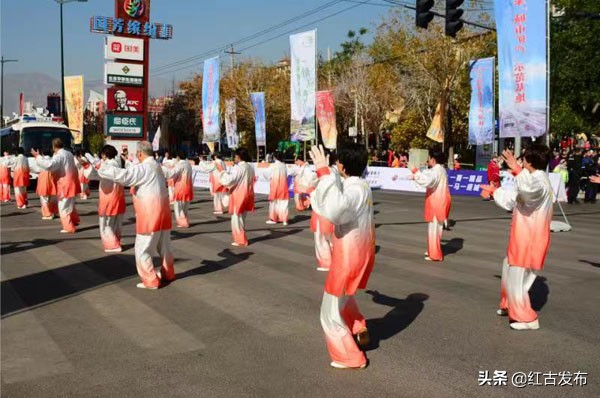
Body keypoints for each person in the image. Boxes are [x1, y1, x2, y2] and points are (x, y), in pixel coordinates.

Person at [310, 143, 375, 370]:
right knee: (344, 299)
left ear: (343, 165)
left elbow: (335, 211)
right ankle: (358, 326)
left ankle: (349, 357)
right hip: (358, 254)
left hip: (348, 257)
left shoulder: (354, 189)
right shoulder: (362, 186)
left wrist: (323, 173)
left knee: (328, 314)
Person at [480, 145, 553, 330]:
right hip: (522, 233)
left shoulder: (539, 181)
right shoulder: (529, 178)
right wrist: (494, 191)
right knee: (509, 268)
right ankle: (509, 304)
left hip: (530, 236)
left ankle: (527, 318)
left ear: (529, 161)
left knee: (518, 275)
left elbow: (528, 192)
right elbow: (514, 198)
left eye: (523, 159)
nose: (520, 162)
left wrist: (517, 169)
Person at [97, 141, 174, 289]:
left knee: (142, 248)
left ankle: (150, 280)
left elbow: (126, 176)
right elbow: (133, 172)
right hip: (163, 212)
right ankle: (168, 273)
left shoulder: (145, 167)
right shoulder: (157, 165)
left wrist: (103, 168)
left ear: (140, 153)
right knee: (164, 247)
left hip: (150, 212)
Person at [81, 145, 126, 252]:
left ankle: (113, 245)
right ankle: (116, 241)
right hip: (118, 196)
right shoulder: (118, 163)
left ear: (104, 155)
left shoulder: (107, 166)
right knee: (115, 223)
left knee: (106, 223)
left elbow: (95, 175)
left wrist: (87, 166)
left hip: (109, 197)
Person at [32, 138, 81, 233]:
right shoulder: (69, 153)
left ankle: (69, 227)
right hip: (72, 181)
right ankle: (74, 221)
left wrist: (37, 157)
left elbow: (50, 165)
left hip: (64, 183)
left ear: (54, 147)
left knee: (63, 206)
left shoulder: (59, 155)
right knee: (70, 204)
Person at [410, 150, 451, 262]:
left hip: (437, 202)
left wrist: (415, 172)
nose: (428, 160)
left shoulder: (437, 171)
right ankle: (432, 250)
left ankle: (435, 254)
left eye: (429, 158)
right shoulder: (438, 170)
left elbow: (428, 181)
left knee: (434, 229)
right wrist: (416, 175)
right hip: (438, 201)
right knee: (434, 228)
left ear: (433, 159)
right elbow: (426, 175)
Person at [216, 147, 255, 246]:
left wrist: (222, 172)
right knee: (241, 218)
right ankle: (240, 239)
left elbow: (229, 180)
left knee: (236, 218)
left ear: (238, 156)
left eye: (235, 156)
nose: (234, 158)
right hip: (248, 194)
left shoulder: (239, 168)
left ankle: (240, 240)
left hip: (239, 195)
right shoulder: (250, 167)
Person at [310, 152, 337, 272]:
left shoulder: (324, 173)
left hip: (321, 209)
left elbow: (311, 183)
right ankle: (336, 260)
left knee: (320, 237)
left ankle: (326, 263)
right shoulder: (337, 173)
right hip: (334, 209)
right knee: (331, 237)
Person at [163, 150, 194, 228]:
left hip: (181, 188)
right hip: (188, 188)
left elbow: (171, 174)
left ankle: (182, 222)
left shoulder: (180, 165)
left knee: (178, 207)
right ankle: (184, 220)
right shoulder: (188, 164)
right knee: (184, 208)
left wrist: (162, 169)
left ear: (178, 157)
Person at [30, 149, 59, 220]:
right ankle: (54, 212)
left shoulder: (41, 161)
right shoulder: (54, 160)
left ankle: (47, 214)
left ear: (42, 153)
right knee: (53, 198)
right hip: (53, 180)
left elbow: (34, 169)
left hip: (43, 180)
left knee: (44, 198)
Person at [265, 151, 289, 225]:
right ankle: (284, 220)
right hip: (283, 185)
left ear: (274, 157)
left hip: (275, 186)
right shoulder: (284, 165)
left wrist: (269, 178)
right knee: (283, 203)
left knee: (274, 203)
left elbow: (266, 174)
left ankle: (274, 219)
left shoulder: (273, 165)